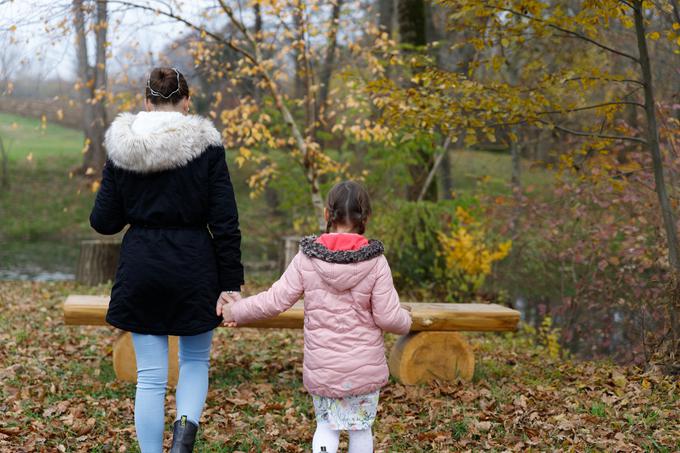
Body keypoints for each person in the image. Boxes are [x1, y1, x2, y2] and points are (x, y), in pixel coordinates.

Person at [90, 67, 243, 453]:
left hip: (143, 266)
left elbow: (104, 222)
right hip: (195, 267)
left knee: (151, 377)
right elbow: (225, 222)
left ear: (146, 103)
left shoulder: (124, 148)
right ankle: (182, 442)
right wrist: (230, 285)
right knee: (195, 362)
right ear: (186, 103)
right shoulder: (207, 147)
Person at [219, 181, 412, 453]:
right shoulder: (376, 262)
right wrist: (407, 319)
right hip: (364, 365)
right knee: (360, 428)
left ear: (326, 215)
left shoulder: (307, 259)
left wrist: (235, 310)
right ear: (366, 218)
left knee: (326, 427)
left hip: (323, 366)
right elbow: (389, 318)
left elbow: (275, 300)